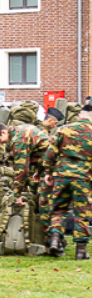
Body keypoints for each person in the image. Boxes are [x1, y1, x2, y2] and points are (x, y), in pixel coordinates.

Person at [41, 104, 92, 260]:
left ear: (80, 116)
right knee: (82, 212)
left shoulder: (63, 130)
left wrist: (48, 172)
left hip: (61, 176)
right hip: (83, 178)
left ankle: (55, 240)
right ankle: (81, 251)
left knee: (58, 209)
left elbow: (50, 152)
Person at [0, 120, 49, 223]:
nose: (1, 143)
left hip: (54, 166)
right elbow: (39, 152)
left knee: (45, 203)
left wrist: (17, 195)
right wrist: (39, 172)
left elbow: (21, 171)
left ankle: (50, 234)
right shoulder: (19, 130)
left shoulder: (18, 140)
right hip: (46, 166)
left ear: (3, 132)